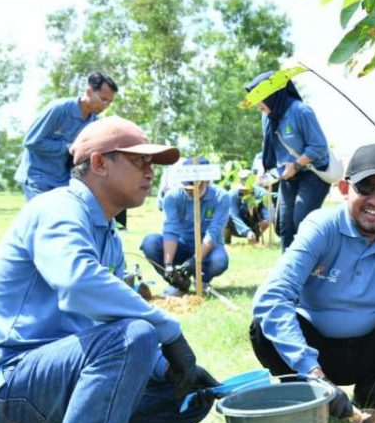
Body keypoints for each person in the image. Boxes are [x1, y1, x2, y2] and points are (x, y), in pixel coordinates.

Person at [0, 117, 220, 423]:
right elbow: (80, 286)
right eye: (138, 161)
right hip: (4, 383)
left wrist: (166, 370)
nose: (151, 172)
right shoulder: (58, 207)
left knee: (187, 398)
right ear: (98, 162)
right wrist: (168, 330)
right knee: (138, 334)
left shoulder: (107, 234)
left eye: (152, 164)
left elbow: (107, 323)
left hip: (47, 376)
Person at [250, 143, 375, 415]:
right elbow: (271, 298)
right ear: (345, 189)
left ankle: (374, 386)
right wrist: (313, 371)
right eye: (365, 187)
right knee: (262, 329)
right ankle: (310, 389)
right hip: (315, 348)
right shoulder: (321, 227)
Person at [246, 71, 331, 250]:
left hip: (312, 173)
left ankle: (311, 268)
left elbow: (319, 146)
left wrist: (297, 164)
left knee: (301, 220)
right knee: (284, 225)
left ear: (271, 95)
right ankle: (287, 272)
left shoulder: (300, 111)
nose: (257, 105)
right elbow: (269, 146)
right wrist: (264, 171)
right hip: (287, 175)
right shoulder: (267, 116)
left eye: (259, 98)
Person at [14, 71, 118, 200]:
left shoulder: (94, 122)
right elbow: (31, 142)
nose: (105, 106)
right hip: (38, 177)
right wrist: (68, 147)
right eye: (103, 99)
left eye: (109, 102)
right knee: (45, 218)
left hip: (63, 181)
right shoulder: (59, 109)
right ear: (89, 91)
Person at [141, 156, 230, 295]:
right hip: (181, 244)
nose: (189, 191)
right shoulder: (172, 196)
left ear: (206, 181)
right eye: (186, 187)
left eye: (193, 187)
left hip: (209, 246)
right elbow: (171, 229)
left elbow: (214, 232)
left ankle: (202, 279)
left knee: (219, 260)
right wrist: (168, 264)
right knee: (150, 243)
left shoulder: (221, 197)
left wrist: (195, 260)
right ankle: (178, 282)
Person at [227, 169, 272, 244]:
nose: (244, 192)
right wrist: (247, 231)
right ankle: (226, 238)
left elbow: (267, 212)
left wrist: (266, 221)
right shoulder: (232, 195)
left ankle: (255, 237)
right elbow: (233, 215)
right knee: (226, 216)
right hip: (236, 226)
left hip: (255, 223)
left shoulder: (262, 193)